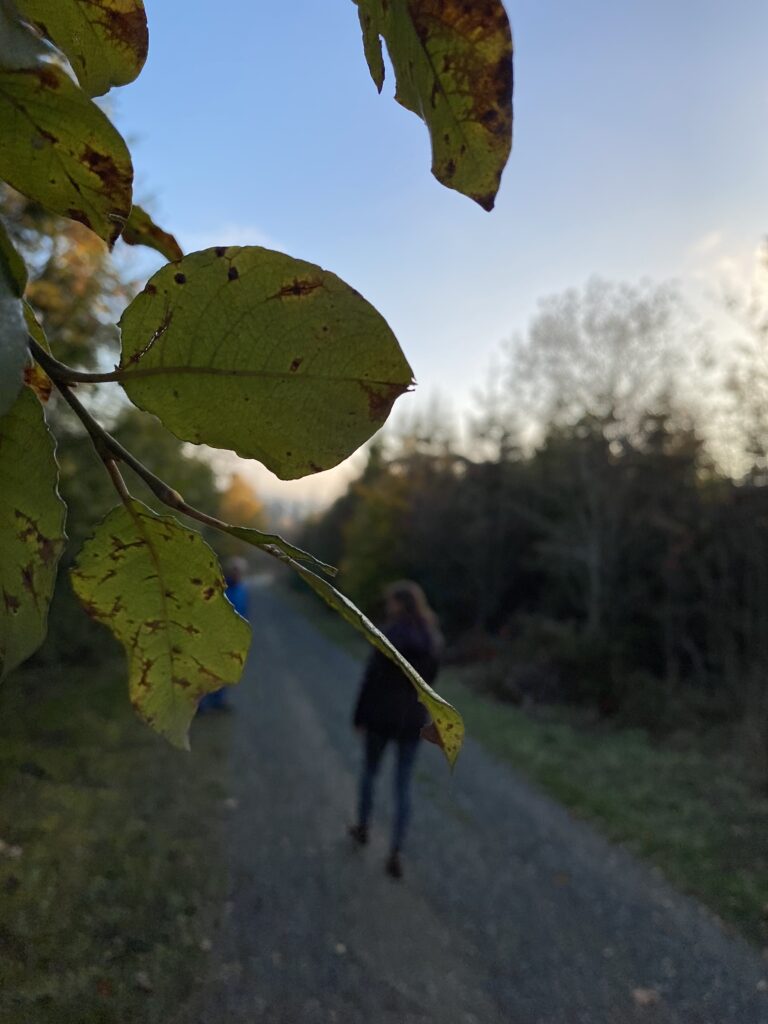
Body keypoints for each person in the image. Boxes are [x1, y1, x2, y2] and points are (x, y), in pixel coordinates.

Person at [349, 580, 442, 879]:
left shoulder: (387, 636)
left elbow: (371, 678)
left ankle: (363, 826)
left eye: (391, 602)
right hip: (412, 720)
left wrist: (359, 715)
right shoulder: (431, 639)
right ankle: (396, 851)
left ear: (400, 604)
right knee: (402, 786)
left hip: (380, 716)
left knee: (370, 773)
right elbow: (431, 683)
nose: (388, 606)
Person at [198, 557, 249, 713]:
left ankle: (218, 701)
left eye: (239, 571)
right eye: (234, 570)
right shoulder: (220, 588)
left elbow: (244, 612)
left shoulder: (243, 590)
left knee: (224, 669)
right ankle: (200, 704)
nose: (236, 574)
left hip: (231, 637)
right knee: (207, 669)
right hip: (214, 635)